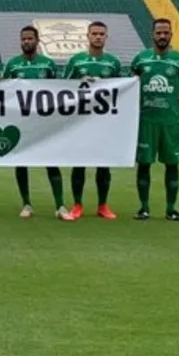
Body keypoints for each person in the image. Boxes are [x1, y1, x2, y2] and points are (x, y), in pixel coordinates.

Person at [3, 25, 74, 222]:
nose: (26, 42)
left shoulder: (48, 64)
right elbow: (4, 92)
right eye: (23, 39)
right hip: (22, 123)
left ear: (37, 41)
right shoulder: (13, 65)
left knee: (51, 163)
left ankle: (60, 205)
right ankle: (26, 204)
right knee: (21, 163)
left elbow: (60, 90)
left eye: (30, 39)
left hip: (44, 123)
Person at [131, 18, 179, 222]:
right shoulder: (141, 59)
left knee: (172, 164)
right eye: (159, 32)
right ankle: (144, 208)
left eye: (166, 32)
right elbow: (126, 86)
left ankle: (171, 209)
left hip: (170, 121)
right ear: (152, 34)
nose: (162, 36)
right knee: (144, 164)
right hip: (146, 121)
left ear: (171, 35)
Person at [63, 21, 121, 220]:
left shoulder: (113, 63)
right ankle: (77, 205)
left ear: (106, 37)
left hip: (104, 122)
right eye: (94, 33)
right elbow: (62, 87)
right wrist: (79, 84)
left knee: (103, 164)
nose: (97, 37)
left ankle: (102, 205)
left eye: (101, 34)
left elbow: (122, 89)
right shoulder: (76, 61)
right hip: (80, 121)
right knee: (79, 163)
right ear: (87, 36)